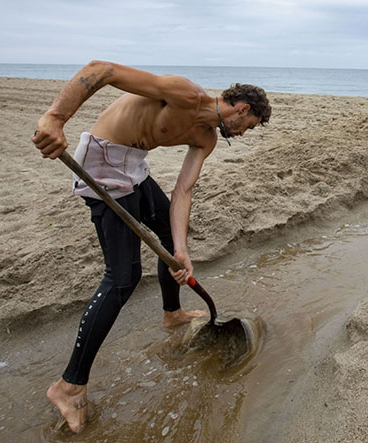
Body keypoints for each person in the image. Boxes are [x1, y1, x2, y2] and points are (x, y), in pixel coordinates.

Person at [32, 61, 271, 433]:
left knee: (168, 232)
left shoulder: (206, 137)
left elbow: (183, 192)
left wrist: (181, 249)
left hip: (135, 168)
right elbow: (103, 70)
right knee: (122, 278)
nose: (244, 134)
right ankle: (69, 386)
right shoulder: (184, 94)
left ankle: (172, 313)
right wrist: (54, 118)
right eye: (249, 127)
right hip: (104, 162)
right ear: (242, 109)